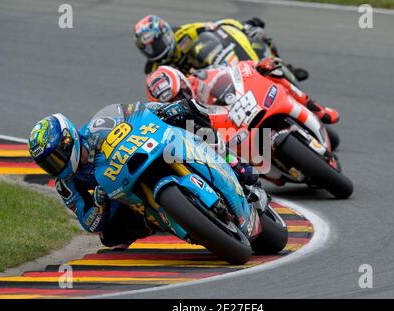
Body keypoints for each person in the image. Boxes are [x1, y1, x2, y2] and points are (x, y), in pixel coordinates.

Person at [28, 100, 259, 249]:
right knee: (109, 238)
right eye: (48, 164)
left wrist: (163, 110)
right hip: (123, 194)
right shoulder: (66, 184)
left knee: (188, 111)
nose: (55, 166)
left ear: (69, 140)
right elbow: (88, 222)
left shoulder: (97, 126)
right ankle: (162, 220)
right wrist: (99, 204)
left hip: (147, 150)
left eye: (55, 158)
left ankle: (235, 164)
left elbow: (135, 111)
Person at [146, 57, 340, 125]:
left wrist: (257, 65)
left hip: (244, 104)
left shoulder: (200, 77)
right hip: (229, 132)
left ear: (182, 81)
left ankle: (317, 109)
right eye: (174, 100)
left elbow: (233, 69)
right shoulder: (179, 119)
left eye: (180, 94)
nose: (181, 100)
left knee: (274, 73)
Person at [134, 15, 309, 81]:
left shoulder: (184, 33)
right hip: (201, 90)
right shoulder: (156, 69)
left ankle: (283, 67)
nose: (154, 51)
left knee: (259, 37)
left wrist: (242, 27)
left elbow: (216, 26)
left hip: (218, 65)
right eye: (147, 49)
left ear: (165, 34)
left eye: (156, 45)